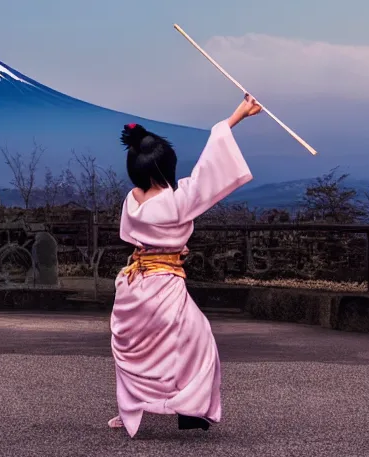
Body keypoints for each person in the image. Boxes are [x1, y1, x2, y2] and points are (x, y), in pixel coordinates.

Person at [108, 94, 261, 438]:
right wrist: (234, 118)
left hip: (133, 287)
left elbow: (143, 235)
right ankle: (190, 408)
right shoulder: (177, 203)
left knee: (139, 349)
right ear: (167, 168)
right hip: (163, 285)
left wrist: (172, 244)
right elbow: (209, 172)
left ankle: (144, 403)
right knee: (198, 341)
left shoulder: (131, 201)